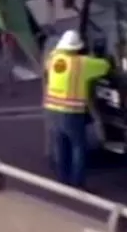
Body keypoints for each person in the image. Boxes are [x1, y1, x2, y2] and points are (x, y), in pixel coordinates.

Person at [43, 29, 111, 188]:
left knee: (60, 146)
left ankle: (62, 180)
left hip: (53, 111)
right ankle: (77, 182)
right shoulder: (83, 63)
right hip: (71, 113)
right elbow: (106, 66)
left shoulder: (53, 60)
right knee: (78, 147)